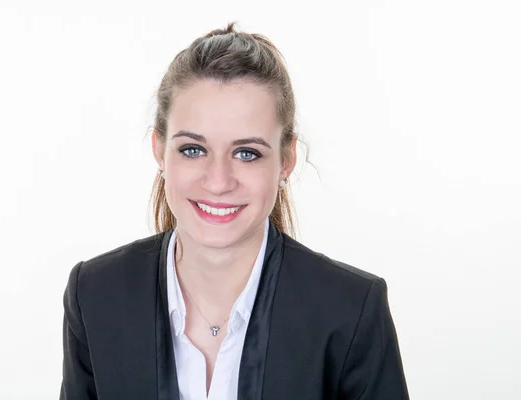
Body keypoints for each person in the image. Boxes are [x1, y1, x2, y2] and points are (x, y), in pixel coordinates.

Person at [60, 22, 409, 400]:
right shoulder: (95, 295)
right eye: (193, 149)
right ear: (160, 150)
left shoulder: (351, 309)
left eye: (247, 153)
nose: (219, 180)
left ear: (287, 160)